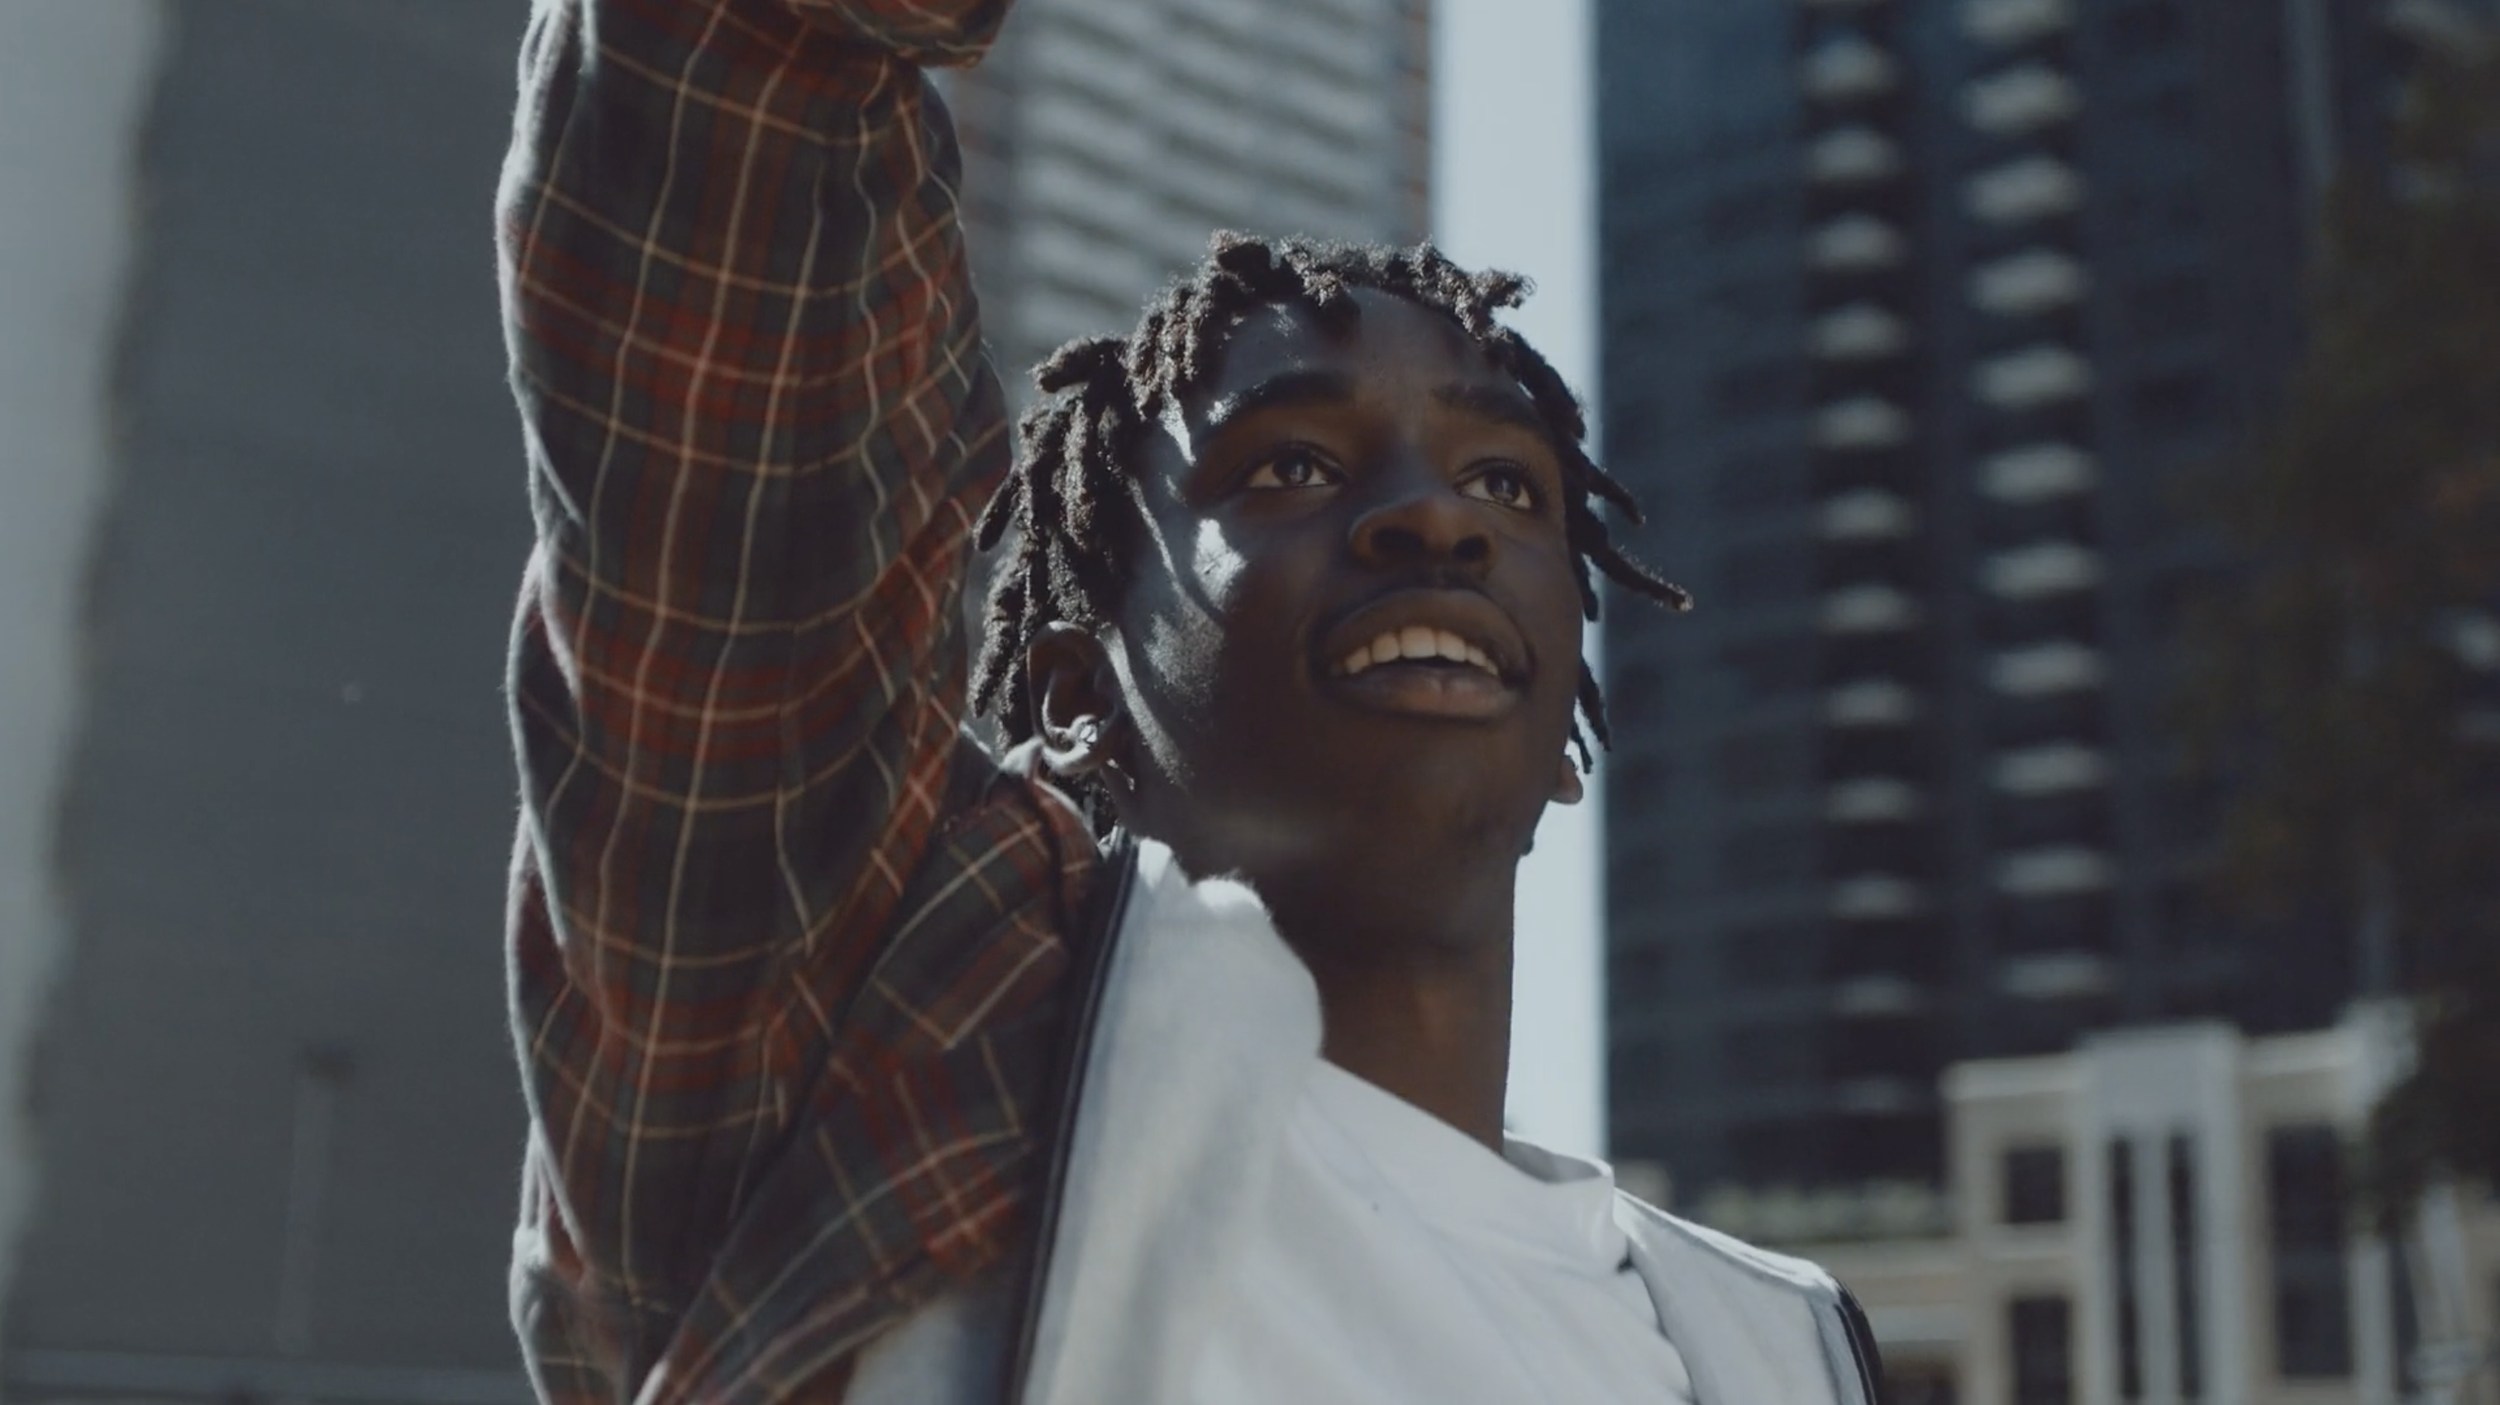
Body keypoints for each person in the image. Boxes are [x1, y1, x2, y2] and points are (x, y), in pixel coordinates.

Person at [497, 0, 1886, 1400]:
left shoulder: (1777, 1347)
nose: (1438, 519)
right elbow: (728, 92)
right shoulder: (868, 1045)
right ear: (1072, 697)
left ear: (1571, 740)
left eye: (1505, 483)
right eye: (1292, 466)